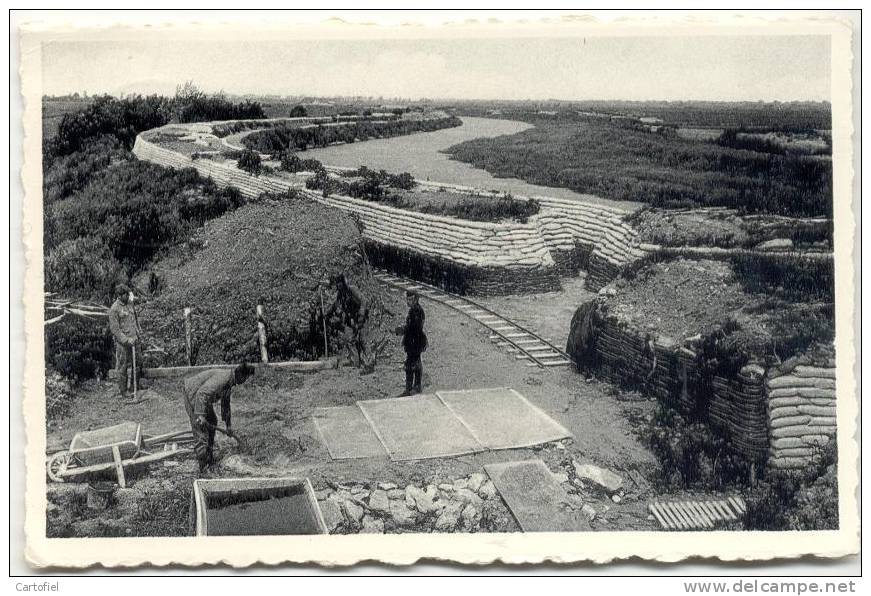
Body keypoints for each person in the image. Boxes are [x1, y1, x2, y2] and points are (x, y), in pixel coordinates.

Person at [182, 363, 254, 472]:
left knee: (212, 421)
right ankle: (203, 468)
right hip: (192, 394)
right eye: (246, 378)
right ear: (242, 376)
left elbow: (225, 405)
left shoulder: (230, 381)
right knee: (201, 432)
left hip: (202, 398)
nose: (245, 381)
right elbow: (202, 393)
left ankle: (209, 457)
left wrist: (228, 426)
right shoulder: (223, 379)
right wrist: (200, 415)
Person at [327, 274, 369, 365]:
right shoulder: (340, 295)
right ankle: (356, 361)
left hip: (362, 317)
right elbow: (335, 305)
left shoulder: (352, 290)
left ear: (344, 283)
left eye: (341, 284)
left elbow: (363, 301)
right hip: (352, 320)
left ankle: (369, 361)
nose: (339, 287)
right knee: (349, 339)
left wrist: (361, 317)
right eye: (338, 286)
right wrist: (327, 314)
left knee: (362, 340)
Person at [107, 284, 141, 400]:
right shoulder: (114, 309)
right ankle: (123, 390)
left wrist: (138, 333)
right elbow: (115, 329)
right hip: (123, 343)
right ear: (119, 296)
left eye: (128, 294)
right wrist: (126, 340)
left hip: (134, 340)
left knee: (137, 364)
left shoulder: (130, 304)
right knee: (123, 367)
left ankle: (134, 386)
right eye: (125, 295)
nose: (128, 296)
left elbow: (134, 319)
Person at [400, 290, 427, 396]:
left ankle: (412, 388)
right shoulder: (415, 310)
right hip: (415, 340)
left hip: (415, 341)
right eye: (407, 299)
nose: (408, 301)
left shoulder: (416, 311)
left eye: (410, 299)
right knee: (415, 362)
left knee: (412, 364)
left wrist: (403, 329)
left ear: (415, 300)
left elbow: (414, 327)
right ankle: (414, 387)